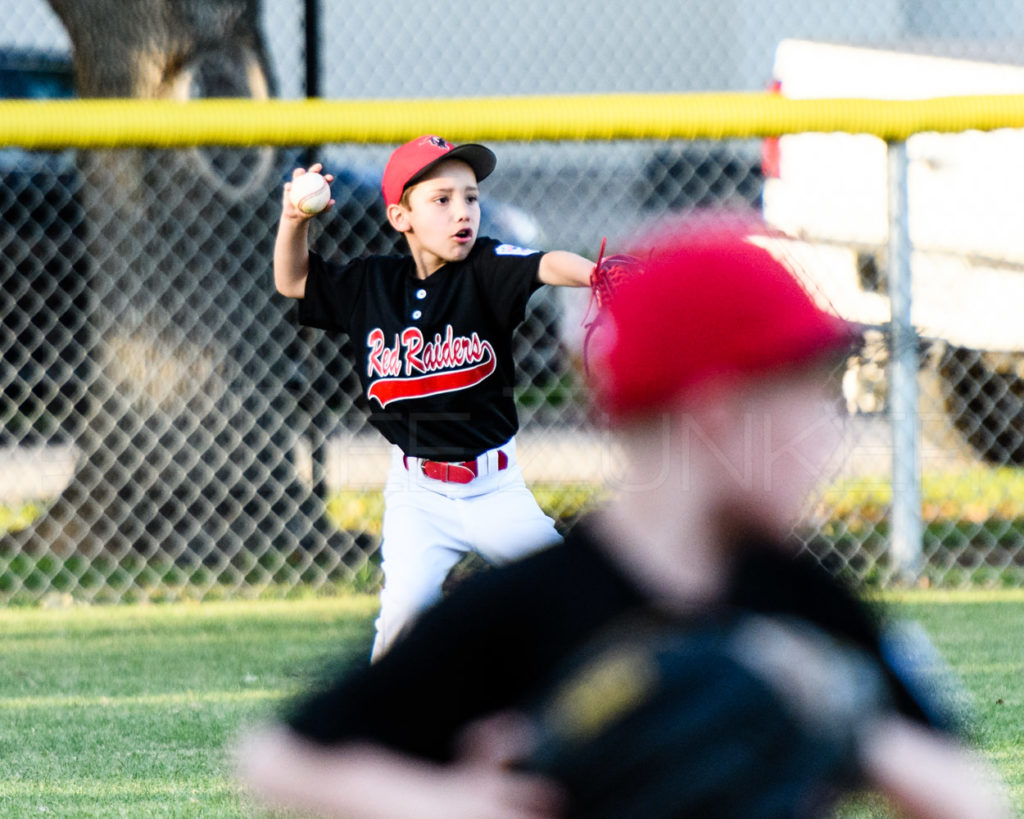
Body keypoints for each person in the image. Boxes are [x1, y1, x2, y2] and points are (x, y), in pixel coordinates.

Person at [237, 215, 1012, 818]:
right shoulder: (534, 606)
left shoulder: (804, 603)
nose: (829, 432)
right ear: (717, 414)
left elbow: (971, 792)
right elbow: (277, 758)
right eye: (805, 401)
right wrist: (445, 802)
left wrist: (840, 712)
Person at [274, 135, 595, 658]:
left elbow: (544, 263)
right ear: (401, 217)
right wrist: (294, 219)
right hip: (416, 495)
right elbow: (292, 280)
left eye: (470, 197)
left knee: (576, 597)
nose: (462, 211)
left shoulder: (488, 269)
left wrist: (594, 274)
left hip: (495, 490)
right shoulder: (370, 283)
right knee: (399, 631)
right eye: (441, 200)